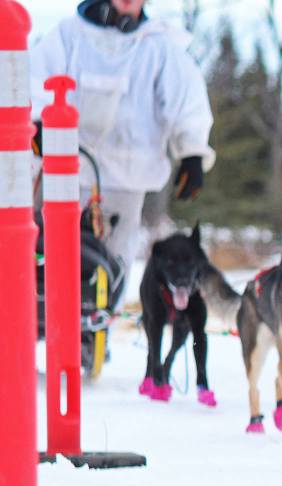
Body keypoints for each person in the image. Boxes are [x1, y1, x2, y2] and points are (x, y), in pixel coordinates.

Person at [30, 0, 215, 308]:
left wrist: (192, 153)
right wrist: (36, 123)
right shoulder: (69, 35)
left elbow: (187, 99)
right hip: (65, 172)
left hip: (126, 178)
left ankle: (97, 333)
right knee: (48, 255)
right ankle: (41, 324)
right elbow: (34, 80)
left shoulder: (158, 47)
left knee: (112, 263)